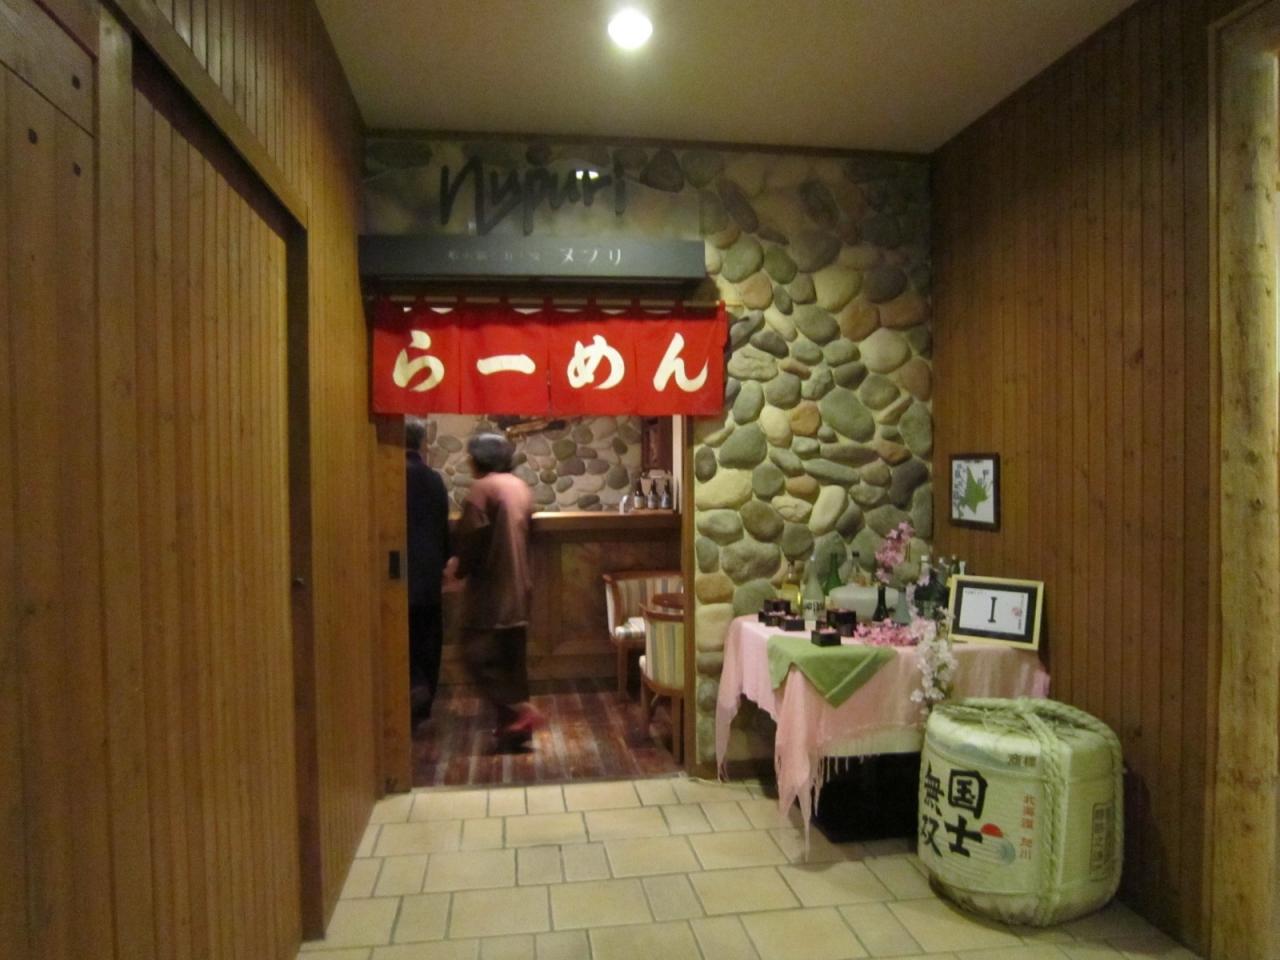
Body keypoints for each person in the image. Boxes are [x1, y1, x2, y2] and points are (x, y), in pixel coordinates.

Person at [452, 431, 544, 751]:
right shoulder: (520, 487)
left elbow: (471, 538)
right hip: (520, 587)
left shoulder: (483, 488)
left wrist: (457, 569)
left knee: (475, 656)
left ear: (479, 459)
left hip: (491, 592)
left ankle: (521, 711)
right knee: (513, 664)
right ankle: (515, 732)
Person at [405, 418, 451, 723]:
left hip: (392, 577)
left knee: (401, 641)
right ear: (422, 444)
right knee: (428, 641)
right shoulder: (433, 480)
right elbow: (442, 529)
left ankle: (410, 691)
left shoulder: (386, 476)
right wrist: (446, 564)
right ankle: (423, 700)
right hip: (428, 576)